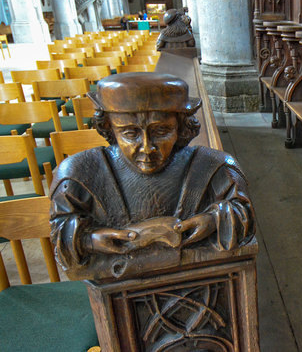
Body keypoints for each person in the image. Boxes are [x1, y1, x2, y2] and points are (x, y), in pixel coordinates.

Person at [49, 72, 255, 278]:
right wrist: (89, 240)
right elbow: (60, 231)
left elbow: (243, 213)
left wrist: (213, 220)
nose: (147, 148)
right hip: (119, 289)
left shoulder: (215, 167)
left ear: (181, 127)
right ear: (109, 128)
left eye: (161, 131)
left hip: (201, 279)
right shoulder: (79, 174)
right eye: (130, 133)